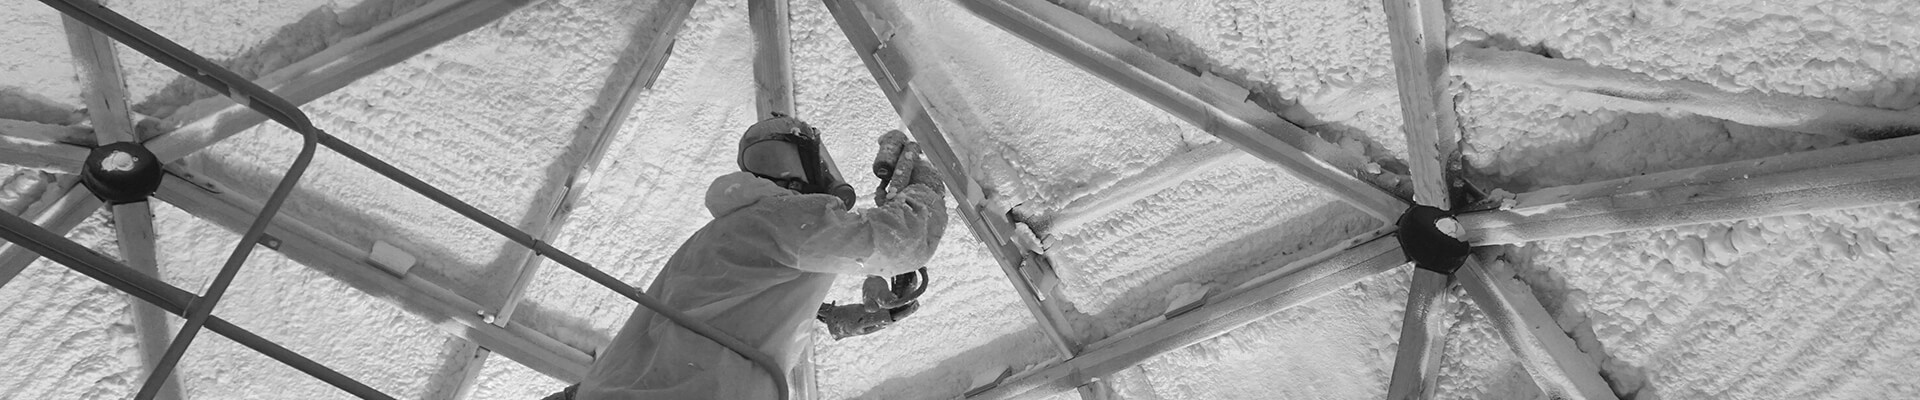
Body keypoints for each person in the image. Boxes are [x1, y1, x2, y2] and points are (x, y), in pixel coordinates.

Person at [562, 116, 948, 400]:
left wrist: (831, 315)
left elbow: (732, 306)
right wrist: (923, 188)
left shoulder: (725, 233)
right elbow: (903, 240)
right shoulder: (782, 217)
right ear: (803, 165)